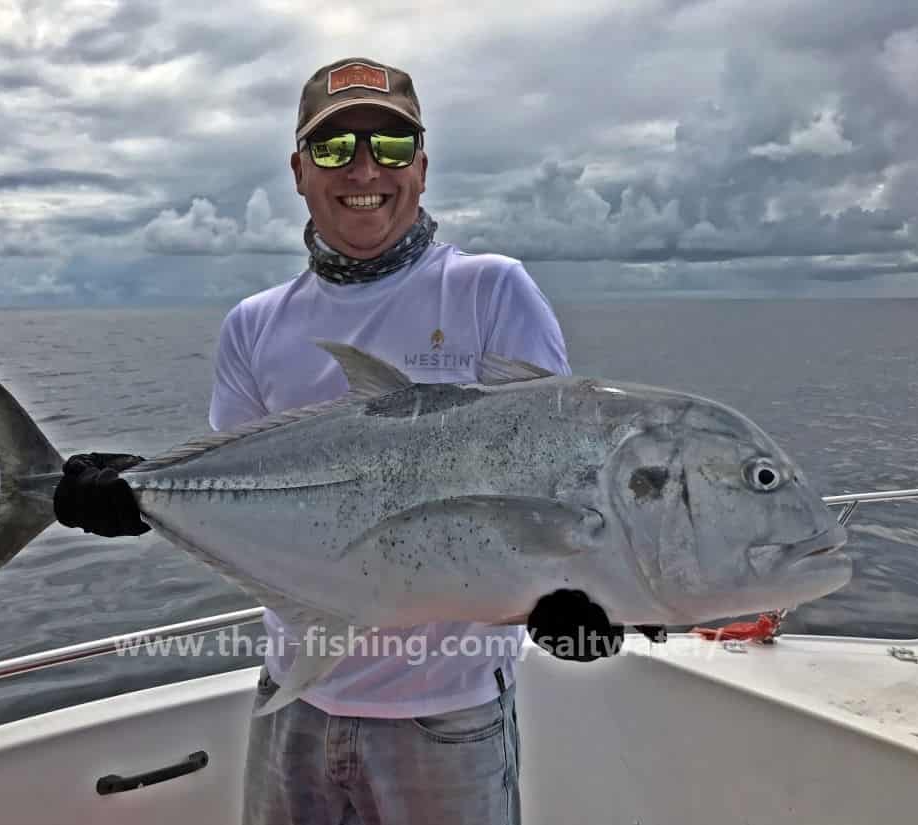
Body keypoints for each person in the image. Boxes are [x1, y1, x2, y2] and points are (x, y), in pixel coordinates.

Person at [54, 57, 616, 824]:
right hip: (293, 697)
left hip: (444, 715)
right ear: (296, 169)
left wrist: (587, 593)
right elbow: (243, 499)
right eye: (333, 147)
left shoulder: (491, 291)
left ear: (420, 166)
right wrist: (144, 493)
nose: (363, 168)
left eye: (389, 147)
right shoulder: (255, 325)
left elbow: (552, 485)